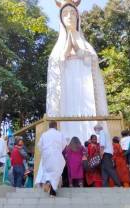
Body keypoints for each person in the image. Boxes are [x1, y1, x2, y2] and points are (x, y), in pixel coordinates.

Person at [47, 0, 109, 144]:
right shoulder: (57, 48)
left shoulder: (86, 45)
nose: (69, 16)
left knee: (91, 119)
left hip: (85, 92)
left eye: (73, 13)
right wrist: (67, 50)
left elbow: (92, 62)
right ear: (60, 19)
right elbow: (55, 69)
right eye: (65, 13)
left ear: (78, 17)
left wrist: (79, 49)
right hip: (66, 96)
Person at [35, 121, 67, 197]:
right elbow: (64, 144)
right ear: (56, 127)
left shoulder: (44, 134)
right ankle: (52, 192)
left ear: (49, 127)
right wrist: (58, 150)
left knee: (47, 171)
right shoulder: (60, 134)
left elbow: (39, 145)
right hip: (56, 154)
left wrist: (44, 152)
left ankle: (48, 181)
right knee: (56, 172)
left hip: (46, 155)